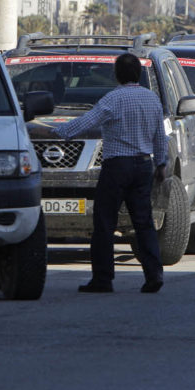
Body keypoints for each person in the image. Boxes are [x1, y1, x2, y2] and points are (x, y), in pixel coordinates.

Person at [45, 53, 168, 294]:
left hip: (117, 167)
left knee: (104, 222)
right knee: (143, 223)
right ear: (138, 74)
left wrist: (57, 133)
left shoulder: (113, 99)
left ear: (117, 74)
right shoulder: (152, 99)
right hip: (144, 166)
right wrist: (161, 163)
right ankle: (154, 274)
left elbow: (86, 122)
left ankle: (103, 279)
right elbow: (160, 137)